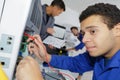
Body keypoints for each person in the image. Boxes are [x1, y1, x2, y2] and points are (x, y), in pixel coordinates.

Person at [16, 3, 120, 80]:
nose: (84, 39)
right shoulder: (99, 55)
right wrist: (46, 57)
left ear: (117, 30)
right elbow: (74, 63)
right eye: (83, 33)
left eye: (93, 31)